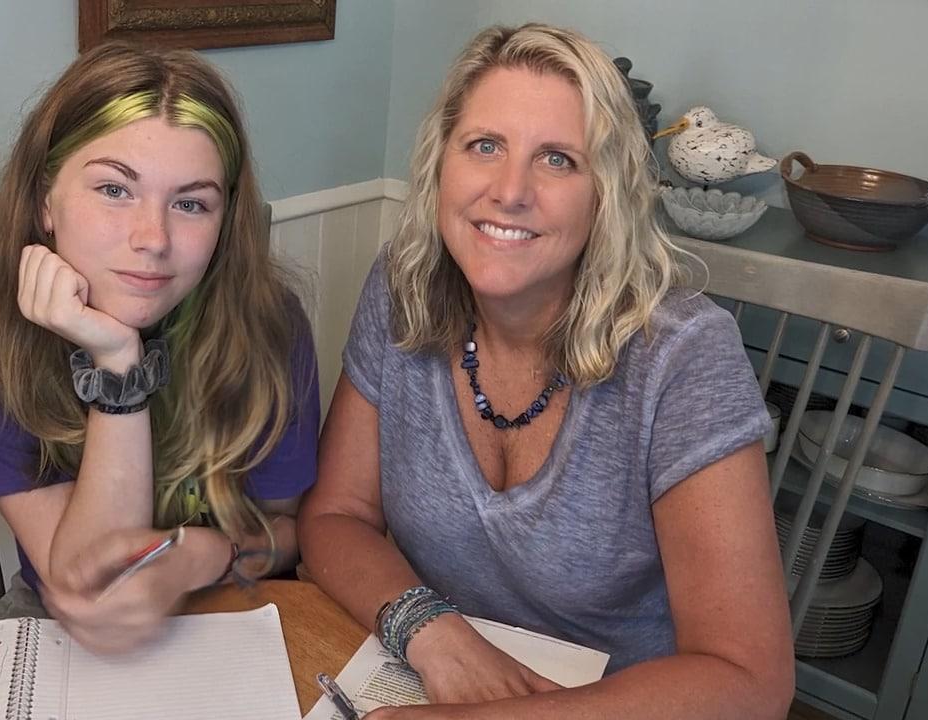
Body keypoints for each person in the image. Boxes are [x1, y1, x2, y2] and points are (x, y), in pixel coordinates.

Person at [298, 23, 794, 719]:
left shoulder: (684, 355)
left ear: (607, 195)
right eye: (485, 146)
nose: (510, 190)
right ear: (443, 162)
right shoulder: (402, 288)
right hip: (429, 676)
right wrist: (436, 636)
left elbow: (749, 681)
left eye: (558, 159)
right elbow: (335, 516)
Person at [0, 40, 319, 653]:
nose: (152, 238)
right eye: (114, 189)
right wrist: (116, 368)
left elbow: (288, 530)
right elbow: (93, 585)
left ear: (225, 220)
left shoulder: (269, 323)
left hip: (231, 590)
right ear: (44, 200)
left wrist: (200, 556)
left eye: (190, 203)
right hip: (62, 615)